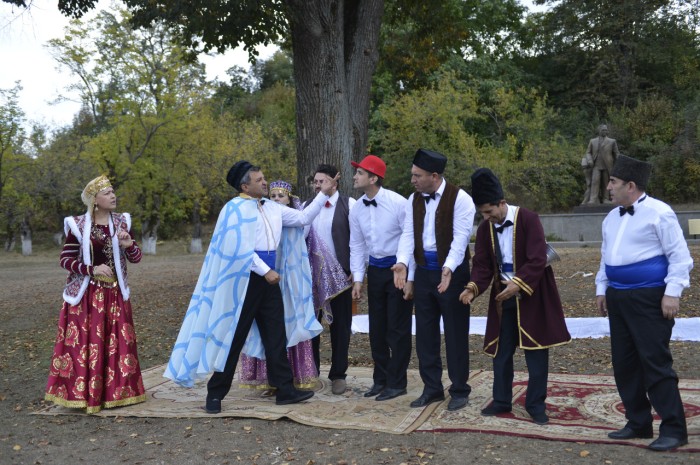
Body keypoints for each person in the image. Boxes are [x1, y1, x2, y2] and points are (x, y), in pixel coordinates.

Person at [164, 161, 336, 413]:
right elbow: (238, 248)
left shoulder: (273, 208)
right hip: (244, 282)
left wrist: (324, 193)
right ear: (245, 185)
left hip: (269, 281)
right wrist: (266, 271)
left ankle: (285, 390)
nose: (265, 182)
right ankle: (215, 394)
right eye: (259, 180)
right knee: (234, 335)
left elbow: (303, 218)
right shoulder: (233, 209)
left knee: (275, 334)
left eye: (264, 178)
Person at [595, 155, 693, 451]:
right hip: (618, 297)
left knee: (655, 362)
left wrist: (672, 292)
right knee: (624, 363)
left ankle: (675, 429)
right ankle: (638, 422)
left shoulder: (660, 213)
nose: (608, 187)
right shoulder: (611, 217)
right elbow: (605, 256)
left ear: (631, 185)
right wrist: (602, 288)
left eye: (613, 182)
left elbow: (680, 257)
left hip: (650, 298)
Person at [459, 168, 571, 425]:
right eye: (482, 214)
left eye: (489, 212)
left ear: (502, 203)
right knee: (502, 350)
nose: (486, 218)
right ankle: (501, 400)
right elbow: (483, 264)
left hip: (533, 293)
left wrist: (518, 284)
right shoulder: (487, 226)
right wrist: (473, 287)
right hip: (502, 297)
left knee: (536, 350)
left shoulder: (529, 219)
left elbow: (536, 258)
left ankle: (535, 404)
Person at [45, 175, 145, 413]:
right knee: (87, 345)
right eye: (107, 193)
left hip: (115, 294)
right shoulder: (78, 225)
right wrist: (91, 269)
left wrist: (129, 244)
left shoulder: (122, 222)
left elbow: (137, 258)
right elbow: (65, 259)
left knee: (117, 344)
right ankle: (85, 394)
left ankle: (117, 393)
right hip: (87, 296)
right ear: (95, 200)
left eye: (113, 191)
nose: (113, 196)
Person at [393, 148, 475, 411]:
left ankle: (460, 388)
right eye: (412, 175)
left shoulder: (461, 199)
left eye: (417, 175)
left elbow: (461, 239)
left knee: (455, 332)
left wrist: (448, 268)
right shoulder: (413, 199)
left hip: (453, 272)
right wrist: (404, 265)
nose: (412, 180)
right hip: (425, 272)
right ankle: (432, 388)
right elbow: (408, 235)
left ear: (435, 176)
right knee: (426, 334)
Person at [238, 180, 318, 392]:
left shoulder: (291, 219)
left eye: (281, 196)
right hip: (266, 280)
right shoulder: (262, 217)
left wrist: (324, 194)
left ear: (289, 199)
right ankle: (268, 379)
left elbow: (303, 246)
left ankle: (292, 378)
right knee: (263, 329)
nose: (276, 200)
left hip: (290, 285)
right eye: (272, 196)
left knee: (288, 326)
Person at [349, 155, 414, 401]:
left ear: (373, 178)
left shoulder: (398, 203)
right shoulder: (357, 208)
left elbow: (409, 237)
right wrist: (358, 279)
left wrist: (407, 271)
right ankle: (381, 379)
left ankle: (398, 383)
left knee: (397, 329)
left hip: (397, 271)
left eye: (360, 173)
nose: (355, 177)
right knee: (376, 329)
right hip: (375, 272)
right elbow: (356, 245)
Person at [307, 164, 355, 395]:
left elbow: (358, 240)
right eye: (315, 182)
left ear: (334, 182)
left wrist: (355, 269)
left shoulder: (349, 205)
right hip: (312, 279)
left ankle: (338, 374)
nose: (317, 185)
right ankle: (311, 372)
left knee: (340, 327)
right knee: (311, 326)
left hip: (341, 278)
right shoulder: (307, 207)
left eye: (322, 181)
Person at [585, 124, 620, 204]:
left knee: (606, 182)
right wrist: (590, 160)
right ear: (599, 131)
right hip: (596, 165)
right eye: (603, 130)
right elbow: (588, 152)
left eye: (606, 130)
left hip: (607, 165)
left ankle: (606, 199)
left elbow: (616, 154)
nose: (605, 131)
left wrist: (620, 163)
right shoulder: (592, 141)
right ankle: (593, 199)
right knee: (595, 181)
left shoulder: (612, 141)